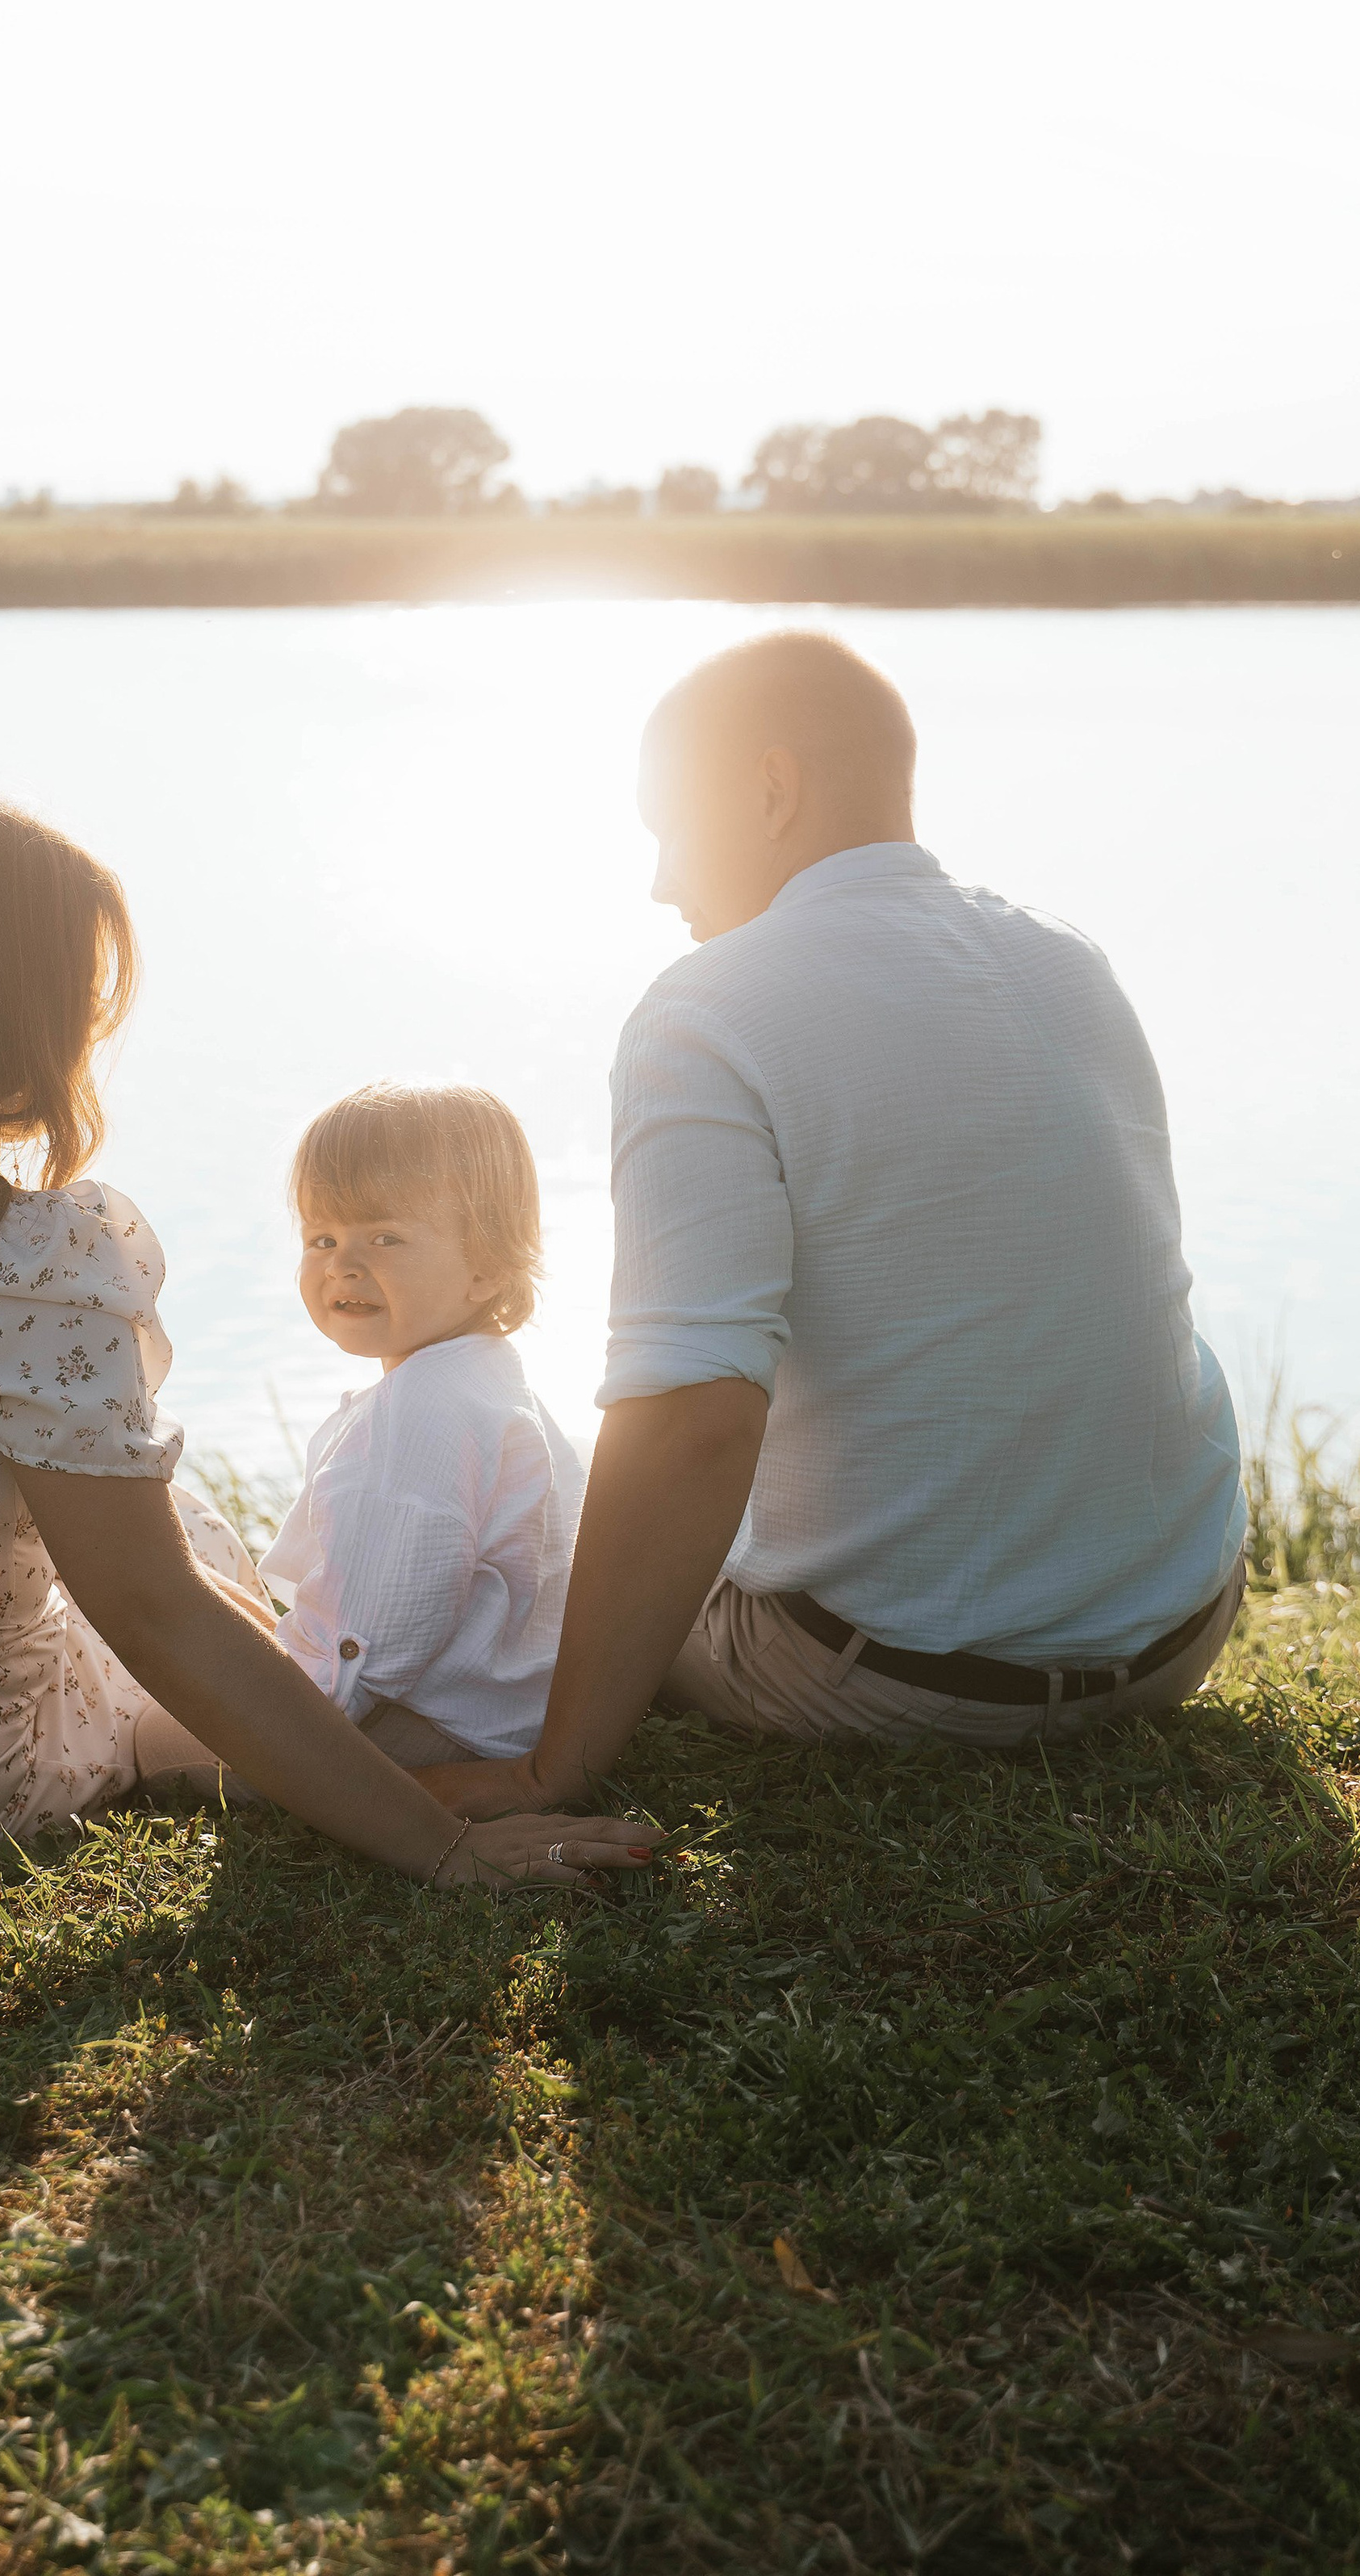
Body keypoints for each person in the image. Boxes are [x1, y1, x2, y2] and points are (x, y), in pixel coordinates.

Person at [0, 791, 652, 1889]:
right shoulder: (36, 1269)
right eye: (81, 990)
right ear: (10, 1013)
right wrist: (441, 1853)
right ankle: (350, 1766)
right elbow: (152, 1615)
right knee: (189, 1600)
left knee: (185, 1526)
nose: (94, 1021)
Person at [420, 630, 1248, 1815]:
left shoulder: (709, 1007)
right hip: (1176, 1638)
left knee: (538, 1511)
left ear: (770, 788)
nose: (661, 880)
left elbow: (694, 1419)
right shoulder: (1072, 961)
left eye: (668, 825)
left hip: (904, 1688)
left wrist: (563, 1769)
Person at [259, 1085, 584, 1770]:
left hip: (425, 1732)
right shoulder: (490, 1375)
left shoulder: (421, 1410)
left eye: (385, 1237)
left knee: (146, 1731)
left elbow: (377, 1632)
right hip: (506, 1709)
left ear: (487, 1267)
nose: (342, 1264)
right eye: (322, 1238)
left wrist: (280, 1730)